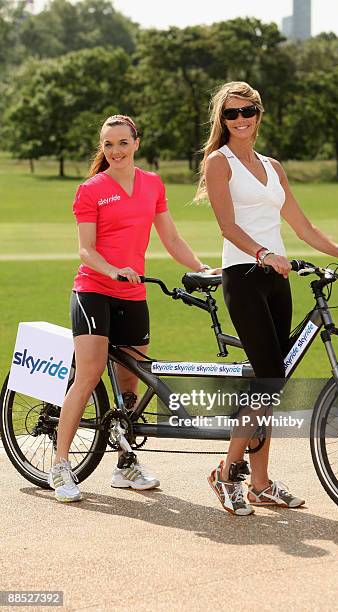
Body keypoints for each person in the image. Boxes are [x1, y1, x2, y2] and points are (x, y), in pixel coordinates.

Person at [198, 82, 338, 516]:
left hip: (277, 279)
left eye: (247, 111)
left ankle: (259, 484)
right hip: (245, 274)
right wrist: (263, 254)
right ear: (223, 120)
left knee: (273, 381)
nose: (240, 119)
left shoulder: (273, 166)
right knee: (269, 377)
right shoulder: (219, 162)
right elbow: (227, 226)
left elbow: (303, 226)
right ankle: (226, 472)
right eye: (231, 113)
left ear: (259, 113)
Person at [48, 114, 210, 503]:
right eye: (108, 144)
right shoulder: (91, 189)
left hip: (132, 293)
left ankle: (125, 464)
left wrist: (202, 268)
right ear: (102, 149)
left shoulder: (152, 184)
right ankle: (60, 464)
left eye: (123, 142)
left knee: (130, 382)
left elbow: (170, 236)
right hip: (93, 289)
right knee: (88, 374)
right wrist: (113, 269)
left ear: (136, 142)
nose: (116, 151)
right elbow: (86, 250)